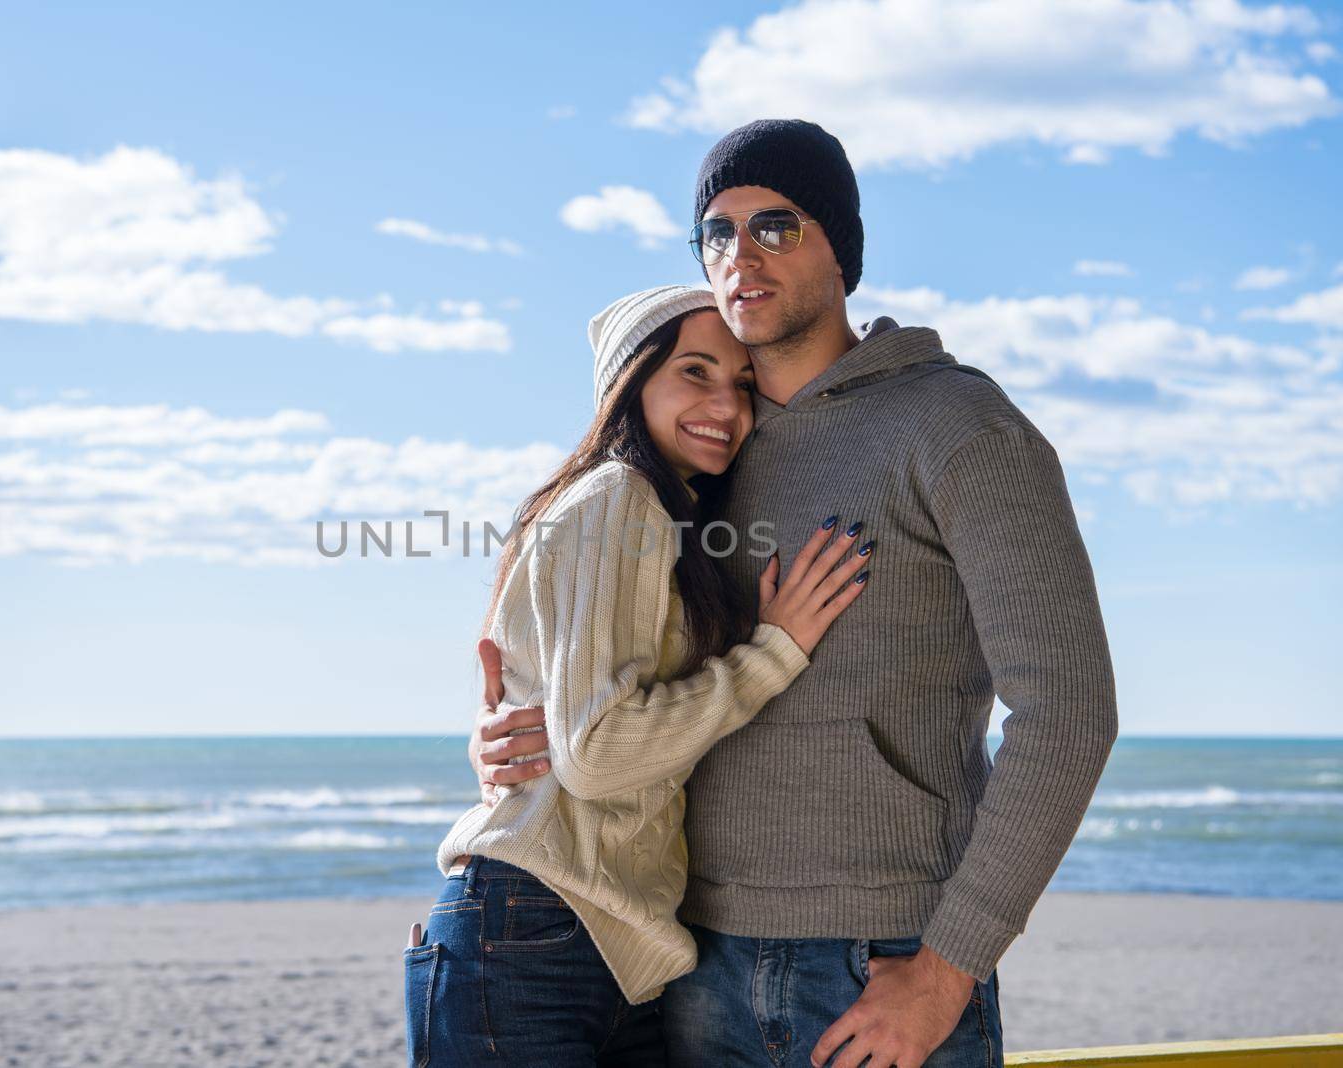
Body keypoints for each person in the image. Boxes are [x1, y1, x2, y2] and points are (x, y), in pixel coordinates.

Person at [468, 120, 1120, 1067]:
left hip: (882, 968)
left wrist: (948, 967)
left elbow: (1070, 710)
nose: (742, 256)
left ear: (843, 249)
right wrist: (513, 726)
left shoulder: (958, 426)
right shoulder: (699, 459)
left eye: (776, 226)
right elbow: (603, 653)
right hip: (688, 967)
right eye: (718, 233)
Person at [404, 284, 877, 1066]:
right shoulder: (620, 496)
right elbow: (600, 752)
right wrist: (776, 651)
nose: (725, 404)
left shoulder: (668, 519)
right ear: (631, 382)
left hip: (604, 949)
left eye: (742, 384)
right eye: (696, 372)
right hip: (536, 934)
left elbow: (567, 726)